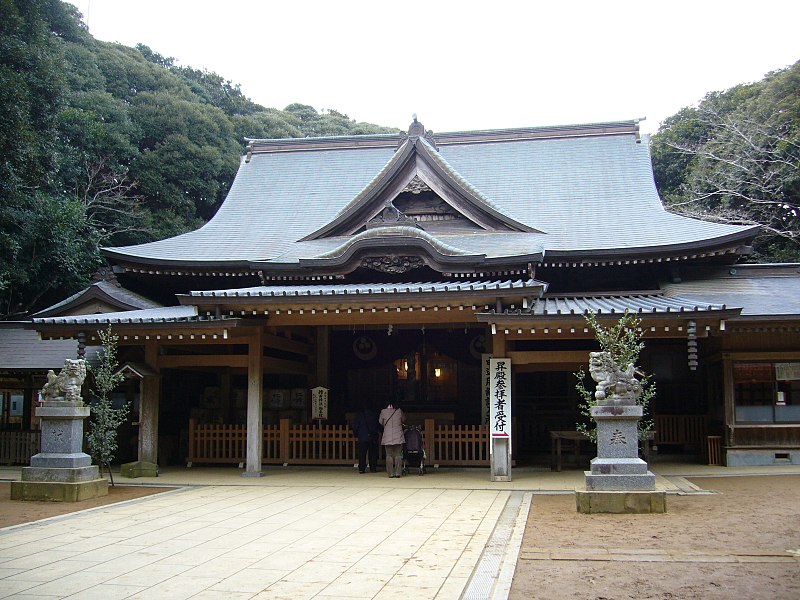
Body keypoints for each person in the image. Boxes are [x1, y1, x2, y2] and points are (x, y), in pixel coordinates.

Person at [379, 401, 405, 478]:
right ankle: (397, 473)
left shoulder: (383, 412)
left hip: (387, 436)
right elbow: (403, 419)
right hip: (398, 436)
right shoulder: (399, 411)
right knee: (398, 455)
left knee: (389, 455)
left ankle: (390, 473)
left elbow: (380, 422)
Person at [352, 402, 380, 473]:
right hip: (373, 436)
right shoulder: (375, 414)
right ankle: (373, 468)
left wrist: (355, 434)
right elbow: (378, 425)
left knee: (362, 453)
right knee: (373, 453)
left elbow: (356, 426)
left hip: (362, 437)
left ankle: (361, 468)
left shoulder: (360, 415)